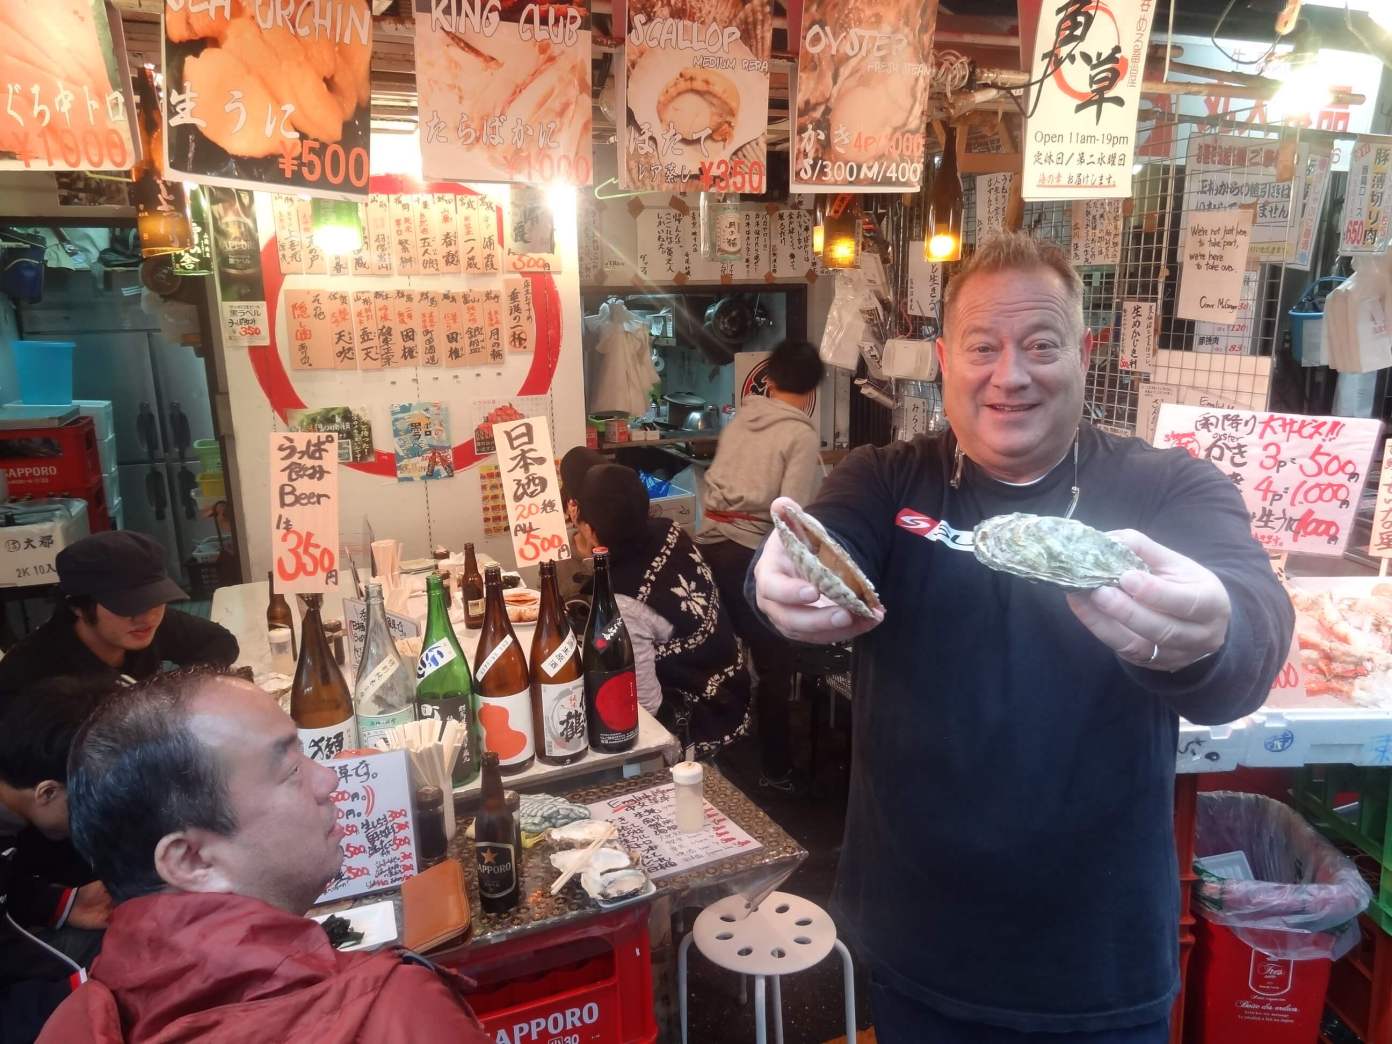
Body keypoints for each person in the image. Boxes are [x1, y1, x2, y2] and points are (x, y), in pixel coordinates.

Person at [751, 233, 1293, 1043]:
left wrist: (1217, 629)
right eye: (983, 347)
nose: (1010, 375)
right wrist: (783, 580)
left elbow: (1248, 622)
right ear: (943, 359)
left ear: (1084, 352)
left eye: (1041, 345)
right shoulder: (885, 478)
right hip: (915, 940)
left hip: (1096, 962)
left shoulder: (1168, 487)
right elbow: (821, 540)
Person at [39, 670, 489, 1044]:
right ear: (190, 860)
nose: (328, 780)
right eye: (291, 771)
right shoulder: (394, 1016)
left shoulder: (72, 1023)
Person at [697, 339, 825, 790]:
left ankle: (719, 754)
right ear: (813, 389)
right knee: (775, 663)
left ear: (768, 380)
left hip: (710, 550)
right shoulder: (801, 434)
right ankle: (775, 770)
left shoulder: (739, 422)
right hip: (751, 555)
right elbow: (792, 518)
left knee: (725, 657)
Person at [574, 464, 752, 757]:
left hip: (701, 717)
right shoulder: (669, 530)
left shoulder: (625, 604)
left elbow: (645, 704)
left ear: (591, 531)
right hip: (734, 687)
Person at [0, 531, 238, 699]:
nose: (146, 617)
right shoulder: (31, 676)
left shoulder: (148, 623)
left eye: (155, 599)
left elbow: (220, 642)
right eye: (128, 606)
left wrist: (174, 689)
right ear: (78, 607)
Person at [0, 679, 110, 1043]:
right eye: (91, 802)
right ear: (47, 792)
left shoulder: (14, 814)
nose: (98, 818)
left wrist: (61, 903)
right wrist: (82, 992)